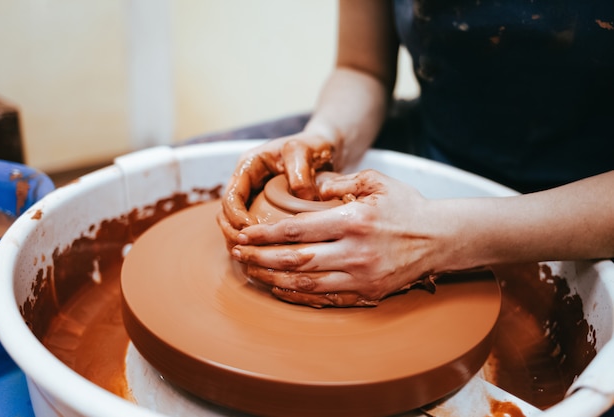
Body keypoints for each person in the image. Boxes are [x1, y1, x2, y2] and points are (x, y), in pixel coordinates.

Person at [217, 0, 614, 308]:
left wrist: (438, 236)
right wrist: (326, 135)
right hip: (438, 142)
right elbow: (361, 68)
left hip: (586, 203)